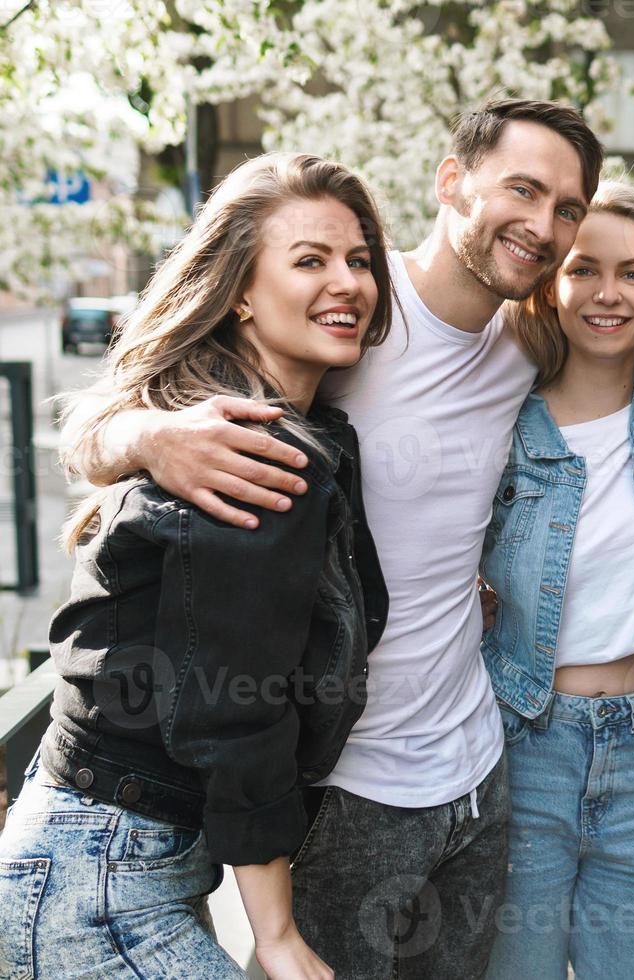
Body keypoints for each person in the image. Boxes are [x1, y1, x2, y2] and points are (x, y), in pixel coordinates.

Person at [58, 99, 604, 977]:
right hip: (345, 789)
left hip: (477, 772)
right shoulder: (342, 312)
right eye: (523, 190)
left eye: (567, 207)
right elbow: (115, 408)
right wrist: (146, 438)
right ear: (451, 182)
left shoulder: (529, 341)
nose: (543, 225)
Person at [0, 152, 392, 979]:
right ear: (241, 292)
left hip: (115, 857)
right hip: (98, 880)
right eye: (310, 260)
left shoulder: (235, 420)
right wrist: (277, 939)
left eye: (359, 260)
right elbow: (236, 711)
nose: (349, 282)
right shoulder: (254, 451)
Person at [478, 177, 634, 978]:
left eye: (633, 274)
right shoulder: (500, 427)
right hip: (524, 740)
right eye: (584, 270)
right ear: (550, 288)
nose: (606, 293)